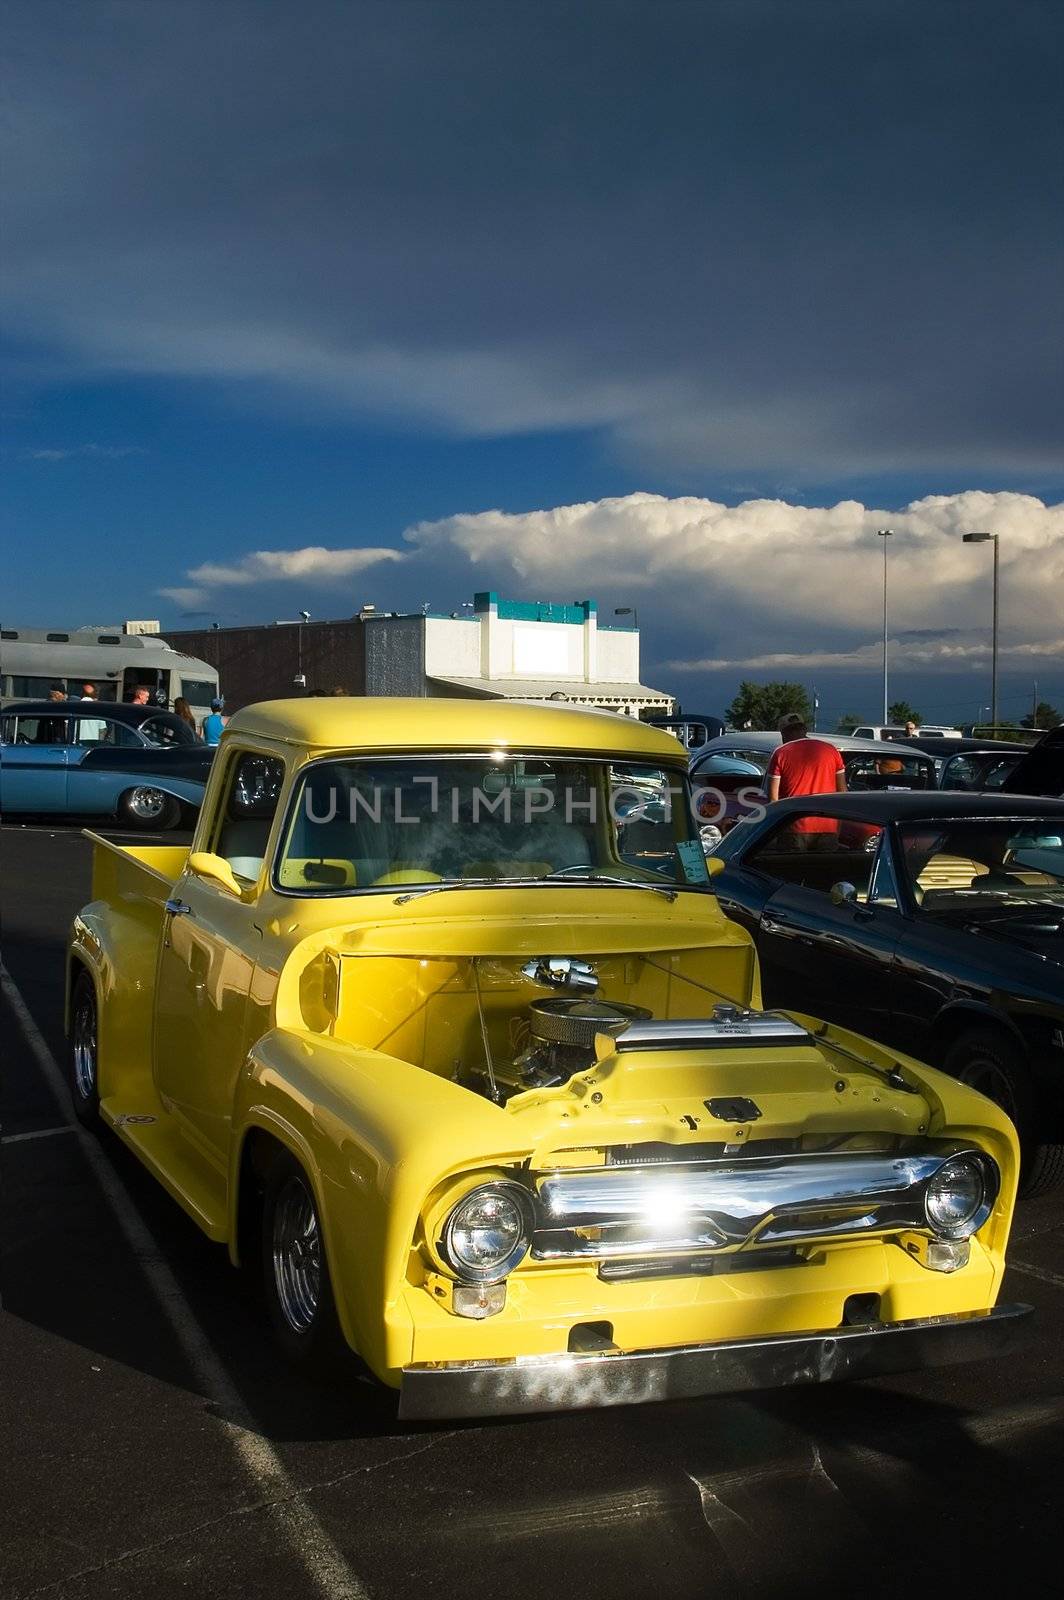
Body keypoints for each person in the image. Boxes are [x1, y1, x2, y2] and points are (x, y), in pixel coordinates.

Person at [766, 712, 846, 850]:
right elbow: (843, 792)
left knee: (794, 869)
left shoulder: (780, 753)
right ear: (805, 729)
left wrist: (776, 830)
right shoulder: (831, 750)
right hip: (827, 825)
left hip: (794, 825)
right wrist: (837, 827)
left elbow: (773, 799)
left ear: (783, 733)